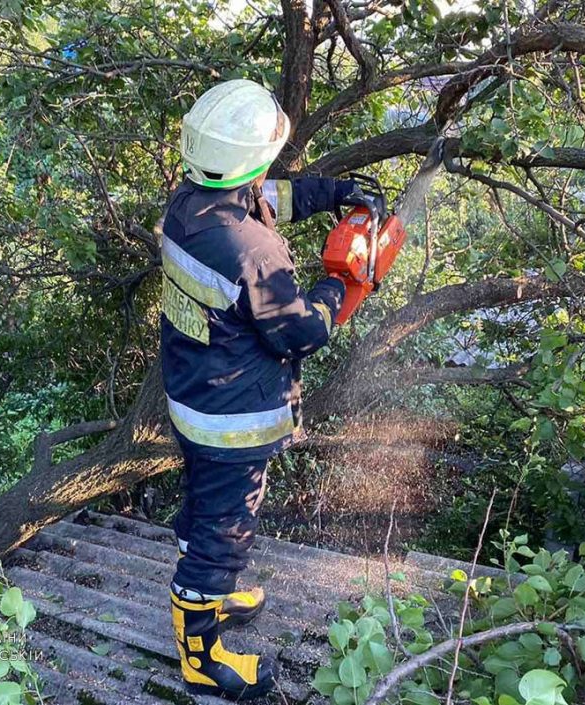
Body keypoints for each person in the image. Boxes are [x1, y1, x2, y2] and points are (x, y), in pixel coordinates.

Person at [159, 79, 364, 700]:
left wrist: (335, 193)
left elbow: (267, 197)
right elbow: (300, 332)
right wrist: (341, 285)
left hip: (196, 398)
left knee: (207, 507)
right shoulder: (250, 250)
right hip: (234, 420)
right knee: (222, 532)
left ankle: (213, 584)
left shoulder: (190, 204)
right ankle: (201, 654)